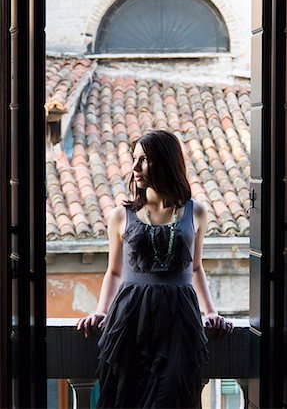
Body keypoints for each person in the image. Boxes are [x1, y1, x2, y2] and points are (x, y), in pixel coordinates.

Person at [77, 130, 233, 409]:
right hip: (130, 318)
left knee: (169, 395)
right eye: (134, 160)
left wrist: (211, 312)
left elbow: (196, 267)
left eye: (144, 160)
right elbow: (114, 272)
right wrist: (101, 311)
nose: (134, 168)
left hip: (178, 319)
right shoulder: (120, 215)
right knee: (125, 395)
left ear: (165, 162)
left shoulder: (196, 212)